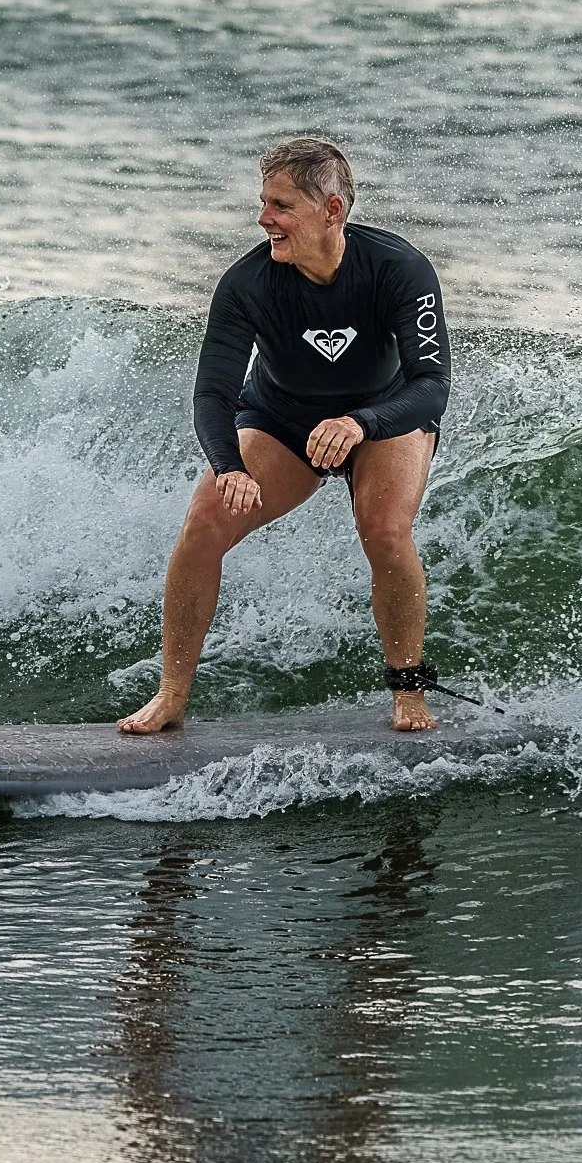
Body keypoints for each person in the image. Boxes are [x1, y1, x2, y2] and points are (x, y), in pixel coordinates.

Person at [119, 137, 452, 735]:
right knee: (203, 523)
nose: (263, 218)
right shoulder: (248, 283)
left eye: (280, 205)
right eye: (263, 202)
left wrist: (361, 424)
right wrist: (231, 467)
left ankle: (408, 689)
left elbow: (430, 386)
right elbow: (213, 395)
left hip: (383, 415)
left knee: (384, 527)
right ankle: (171, 695)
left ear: (332, 209)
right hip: (283, 419)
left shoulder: (400, 268)